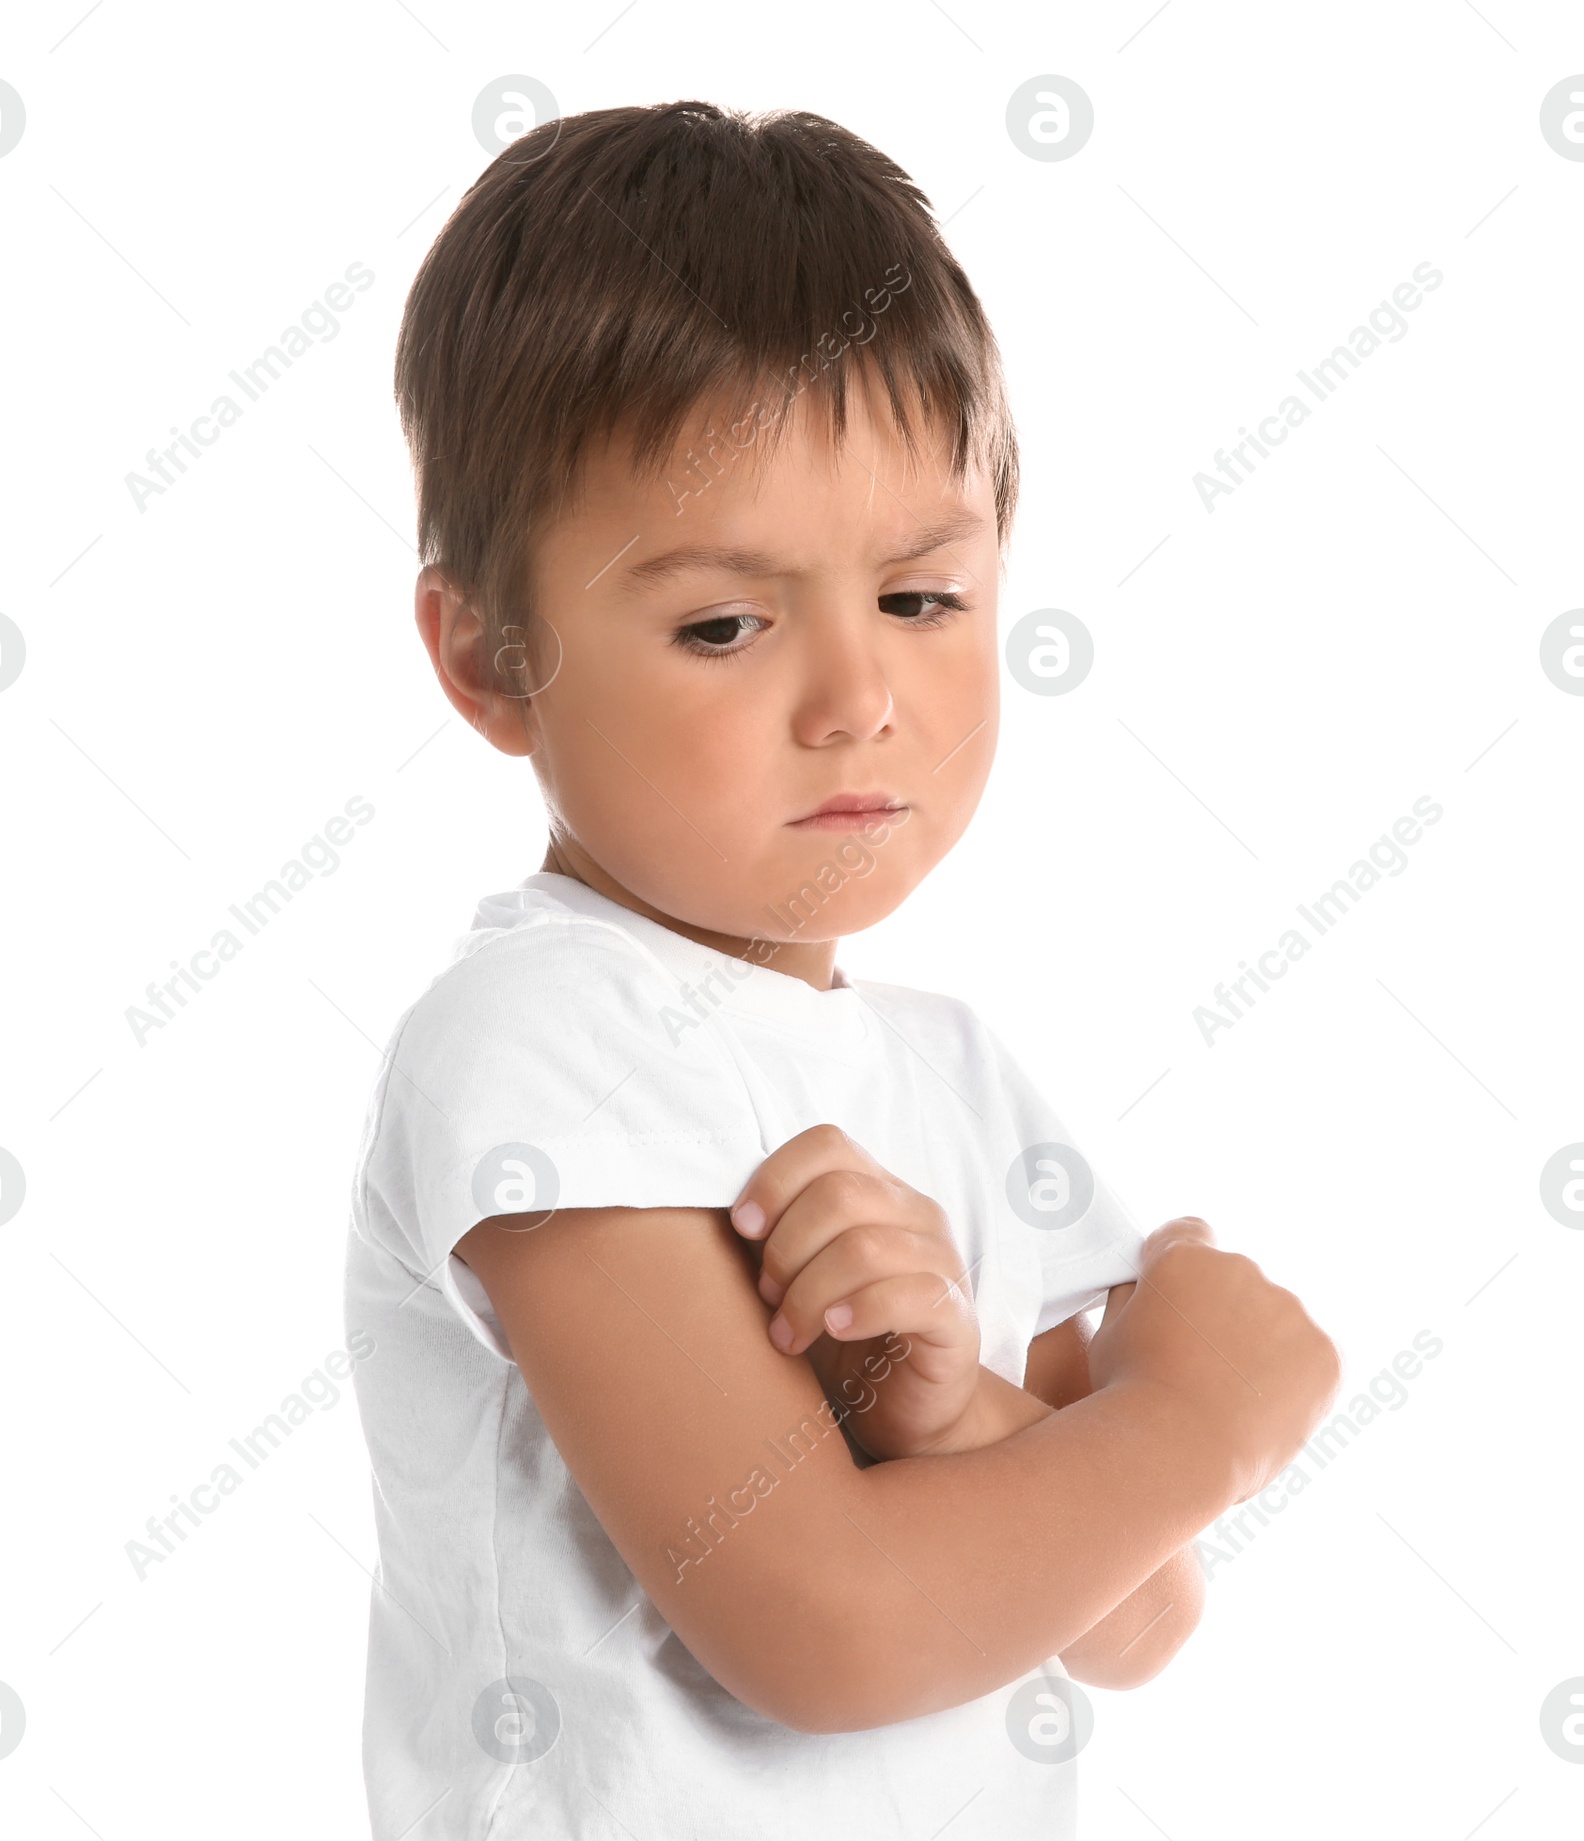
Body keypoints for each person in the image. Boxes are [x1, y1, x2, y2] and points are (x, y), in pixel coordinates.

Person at [344, 98, 1340, 1839]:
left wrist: (958, 1417)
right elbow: (819, 1623)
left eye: (922, 599)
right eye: (726, 623)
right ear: (495, 656)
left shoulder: (950, 1069)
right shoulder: (541, 1040)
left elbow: (1128, 1617)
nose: (857, 698)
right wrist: (1204, 1420)